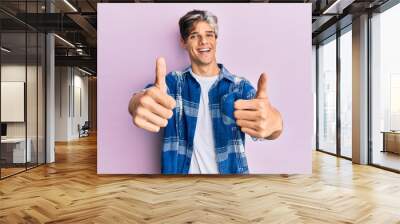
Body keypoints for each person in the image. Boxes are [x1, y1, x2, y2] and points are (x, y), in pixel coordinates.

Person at [128, 9, 283, 174]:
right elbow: (146, 97)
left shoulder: (239, 87)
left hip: (230, 187)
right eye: (194, 36)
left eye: (209, 35)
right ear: (183, 41)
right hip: (179, 188)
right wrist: (136, 103)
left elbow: (270, 122)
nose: (203, 41)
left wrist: (274, 122)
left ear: (216, 39)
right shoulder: (173, 83)